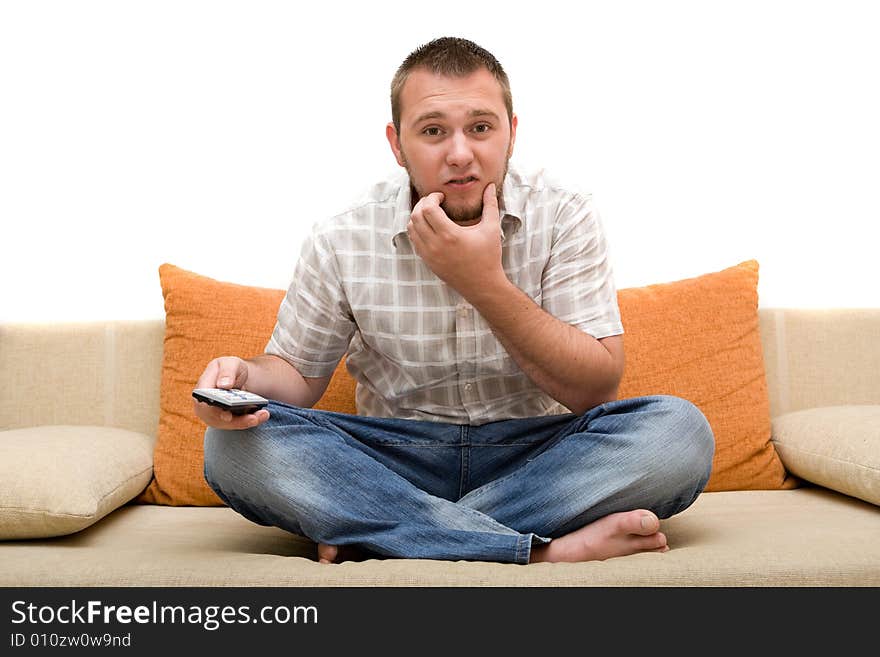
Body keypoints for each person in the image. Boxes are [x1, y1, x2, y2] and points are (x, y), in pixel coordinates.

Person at [194, 36, 715, 565]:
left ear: (512, 132)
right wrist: (246, 378)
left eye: (481, 128)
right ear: (397, 145)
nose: (460, 154)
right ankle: (536, 552)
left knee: (678, 433)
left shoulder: (564, 216)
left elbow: (594, 387)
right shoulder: (342, 236)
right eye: (433, 131)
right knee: (233, 447)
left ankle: (388, 533)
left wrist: (482, 281)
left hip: (536, 455)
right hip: (392, 456)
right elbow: (296, 379)